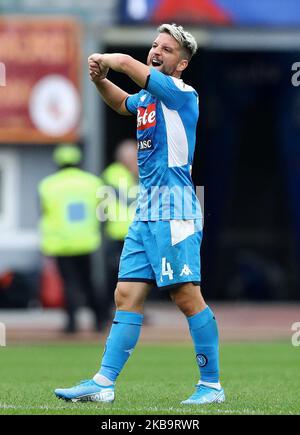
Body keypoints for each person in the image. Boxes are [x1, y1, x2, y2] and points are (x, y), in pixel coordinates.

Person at [54, 24, 225, 404]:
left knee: (185, 296)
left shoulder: (182, 94)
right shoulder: (147, 100)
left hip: (176, 208)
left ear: (181, 64)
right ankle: (103, 383)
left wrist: (109, 59)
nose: (157, 51)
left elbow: (131, 66)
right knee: (126, 294)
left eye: (166, 49)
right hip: (146, 211)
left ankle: (211, 385)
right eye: (155, 45)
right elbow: (120, 102)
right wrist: (100, 80)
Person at [38, 143, 106, 333]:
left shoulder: (47, 185)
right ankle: (100, 320)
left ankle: (72, 324)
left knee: (69, 284)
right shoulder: (93, 182)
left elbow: (44, 213)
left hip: (60, 243)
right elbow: (103, 212)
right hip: (86, 241)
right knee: (89, 281)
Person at [99, 139, 138, 318]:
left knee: (137, 276)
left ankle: (135, 309)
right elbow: (129, 198)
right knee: (115, 275)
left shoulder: (139, 172)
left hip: (137, 233)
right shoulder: (114, 174)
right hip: (118, 234)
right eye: (132, 156)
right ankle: (108, 311)